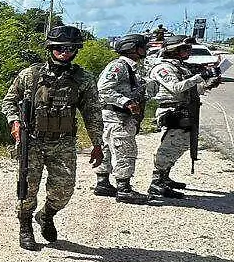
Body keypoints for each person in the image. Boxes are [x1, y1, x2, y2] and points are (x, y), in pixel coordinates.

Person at [1, 26, 104, 251]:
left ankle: (46, 215)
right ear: (51, 48)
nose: (64, 53)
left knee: (64, 191)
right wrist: (14, 122)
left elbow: (92, 111)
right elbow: (9, 100)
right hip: (33, 140)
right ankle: (25, 226)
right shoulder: (30, 75)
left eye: (70, 49)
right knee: (27, 189)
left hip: (63, 142)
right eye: (59, 48)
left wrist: (97, 143)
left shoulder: (83, 79)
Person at [147, 34, 222, 198]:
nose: (188, 51)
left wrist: (208, 83)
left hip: (185, 110)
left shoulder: (181, 67)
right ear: (173, 50)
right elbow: (176, 87)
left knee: (179, 145)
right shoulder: (163, 67)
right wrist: (200, 76)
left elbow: (191, 89)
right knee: (169, 147)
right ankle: (156, 182)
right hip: (171, 111)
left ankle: (164, 177)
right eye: (184, 48)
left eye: (189, 48)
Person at [94, 34, 151, 204]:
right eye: (142, 46)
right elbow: (103, 89)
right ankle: (124, 188)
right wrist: (126, 102)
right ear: (133, 48)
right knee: (125, 150)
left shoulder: (132, 67)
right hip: (117, 116)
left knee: (108, 149)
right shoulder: (118, 66)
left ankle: (103, 183)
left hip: (118, 116)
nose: (145, 49)